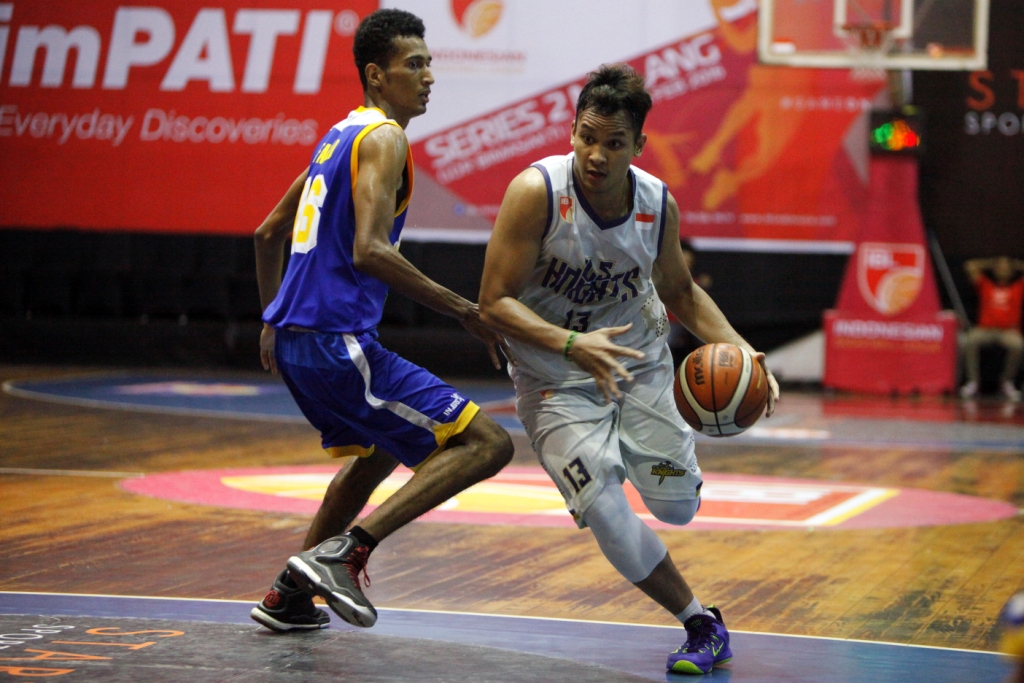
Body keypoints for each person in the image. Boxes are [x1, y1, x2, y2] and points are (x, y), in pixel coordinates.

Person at [478, 64, 779, 675]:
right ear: (572, 132)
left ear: (638, 146)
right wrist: (572, 345)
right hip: (554, 378)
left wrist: (746, 354)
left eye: (613, 143)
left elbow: (681, 291)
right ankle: (701, 623)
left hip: (639, 364)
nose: (596, 154)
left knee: (676, 508)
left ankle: (630, 449)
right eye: (587, 137)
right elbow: (493, 301)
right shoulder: (536, 192)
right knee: (605, 509)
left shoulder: (656, 203)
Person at [249, 8, 513, 633]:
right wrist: (465, 310)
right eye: (413, 65)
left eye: (429, 64)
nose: (428, 77)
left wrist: (271, 318)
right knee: (489, 444)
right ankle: (348, 551)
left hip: (298, 344)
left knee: (375, 453)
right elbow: (370, 249)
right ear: (376, 75)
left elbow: (267, 233)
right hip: (335, 343)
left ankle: (290, 595)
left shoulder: (338, 136)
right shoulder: (387, 138)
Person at [960, 256, 1024, 401]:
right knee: (969, 340)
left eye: (1005, 267)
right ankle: (973, 382)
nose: (1003, 269)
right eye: (1000, 267)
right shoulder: (986, 284)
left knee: (1018, 345)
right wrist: (992, 263)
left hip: (1008, 332)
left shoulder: (1018, 287)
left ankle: (1007, 382)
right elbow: (969, 265)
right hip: (985, 330)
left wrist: (1014, 265)